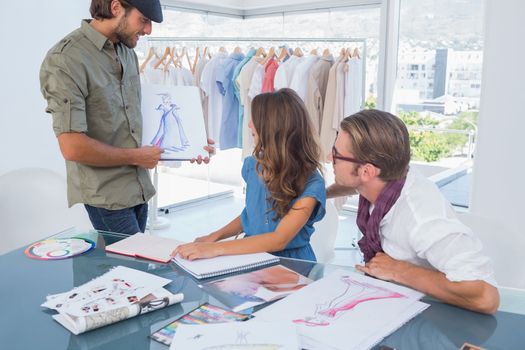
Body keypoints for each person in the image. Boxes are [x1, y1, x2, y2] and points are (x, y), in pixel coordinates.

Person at [40, 0, 213, 235]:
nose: (149, 30)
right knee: (130, 266)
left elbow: (135, 121)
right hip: (107, 195)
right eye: (143, 20)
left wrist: (190, 145)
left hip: (139, 188)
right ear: (115, 8)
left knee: (127, 269)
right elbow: (72, 147)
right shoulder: (66, 60)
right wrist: (137, 157)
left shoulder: (127, 53)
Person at [326, 109, 500, 314]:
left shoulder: (420, 218)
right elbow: (356, 181)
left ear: (367, 171)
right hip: (396, 300)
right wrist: (320, 193)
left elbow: (487, 297)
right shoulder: (388, 176)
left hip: (436, 315)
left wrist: (399, 270)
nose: (330, 158)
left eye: (336, 154)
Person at [172, 88, 326, 261]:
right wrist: (214, 236)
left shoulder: (312, 184)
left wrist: (214, 248)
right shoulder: (253, 166)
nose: (249, 125)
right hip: (251, 256)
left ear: (272, 127)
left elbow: (279, 239)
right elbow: (252, 214)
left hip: (293, 265)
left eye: (256, 120)